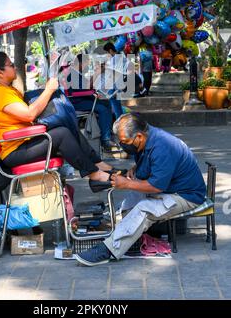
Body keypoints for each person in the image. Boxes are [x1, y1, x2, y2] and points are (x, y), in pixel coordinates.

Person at [75, 112, 206, 266]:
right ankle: (122, 228)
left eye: (125, 141)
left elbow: (156, 186)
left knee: (145, 208)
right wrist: (135, 168)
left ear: (139, 137)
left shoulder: (163, 146)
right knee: (134, 196)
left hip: (186, 196)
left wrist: (126, 184)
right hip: (170, 188)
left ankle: (108, 250)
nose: (122, 145)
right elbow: (150, 163)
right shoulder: (147, 137)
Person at [0, 52, 113, 191]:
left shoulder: (6, 89)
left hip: (23, 141)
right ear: (0, 72)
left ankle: (97, 164)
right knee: (62, 134)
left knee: (65, 125)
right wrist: (48, 90)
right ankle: (95, 175)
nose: (15, 67)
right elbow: (29, 115)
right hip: (15, 151)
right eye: (11, 65)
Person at [67, 54, 116, 152]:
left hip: (83, 98)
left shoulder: (77, 73)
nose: (87, 66)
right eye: (86, 63)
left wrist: (95, 92)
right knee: (103, 109)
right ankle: (105, 140)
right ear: (80, 63)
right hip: (78, 102)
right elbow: (85, 88)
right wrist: (96, 74)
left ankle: (107, 131)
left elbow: (87, 86)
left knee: (107, 103)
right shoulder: (72, 74)